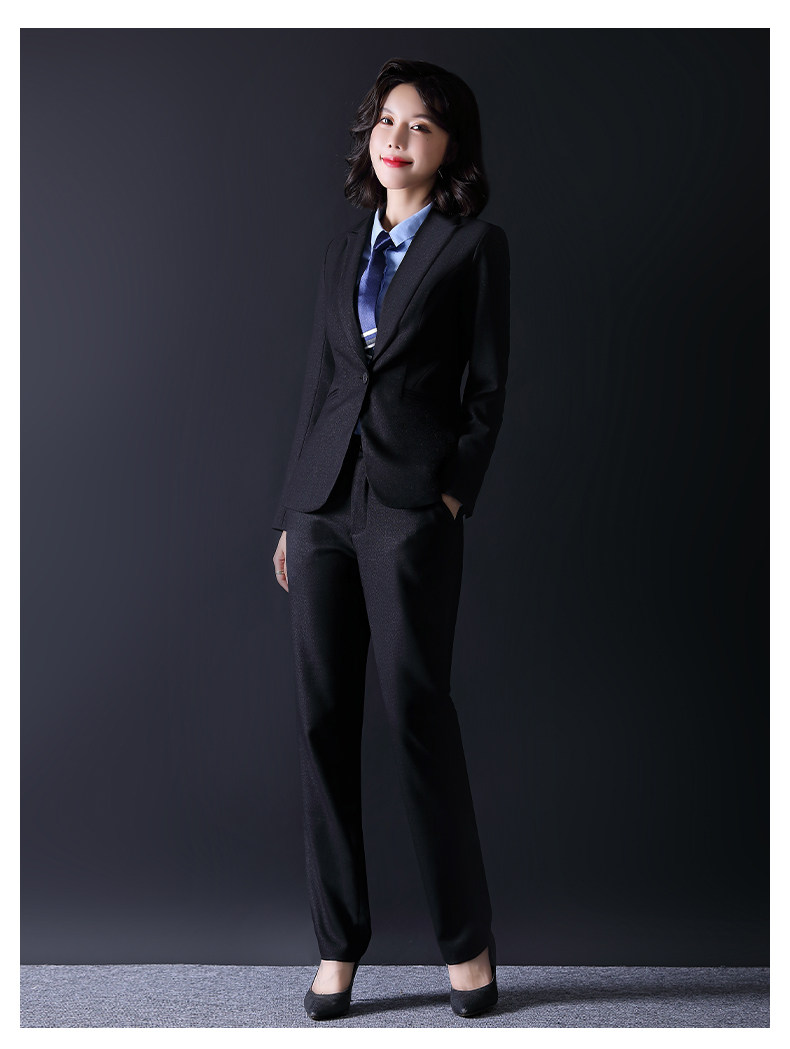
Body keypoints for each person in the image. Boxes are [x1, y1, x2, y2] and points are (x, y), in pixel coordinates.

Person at [271, 57, 510, 1021]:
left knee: (418, 716)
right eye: (386, 121)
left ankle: (467, 946)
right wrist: (292, 510)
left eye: (420, 126)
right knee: (322, 723)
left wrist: (450, 496)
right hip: (322, 507)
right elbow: (323, 384)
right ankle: (337, 947)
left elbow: (487, 391)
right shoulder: (342, 253)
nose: (396, 138)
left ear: (449, 148)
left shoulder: (473, 247)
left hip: (411, 508)